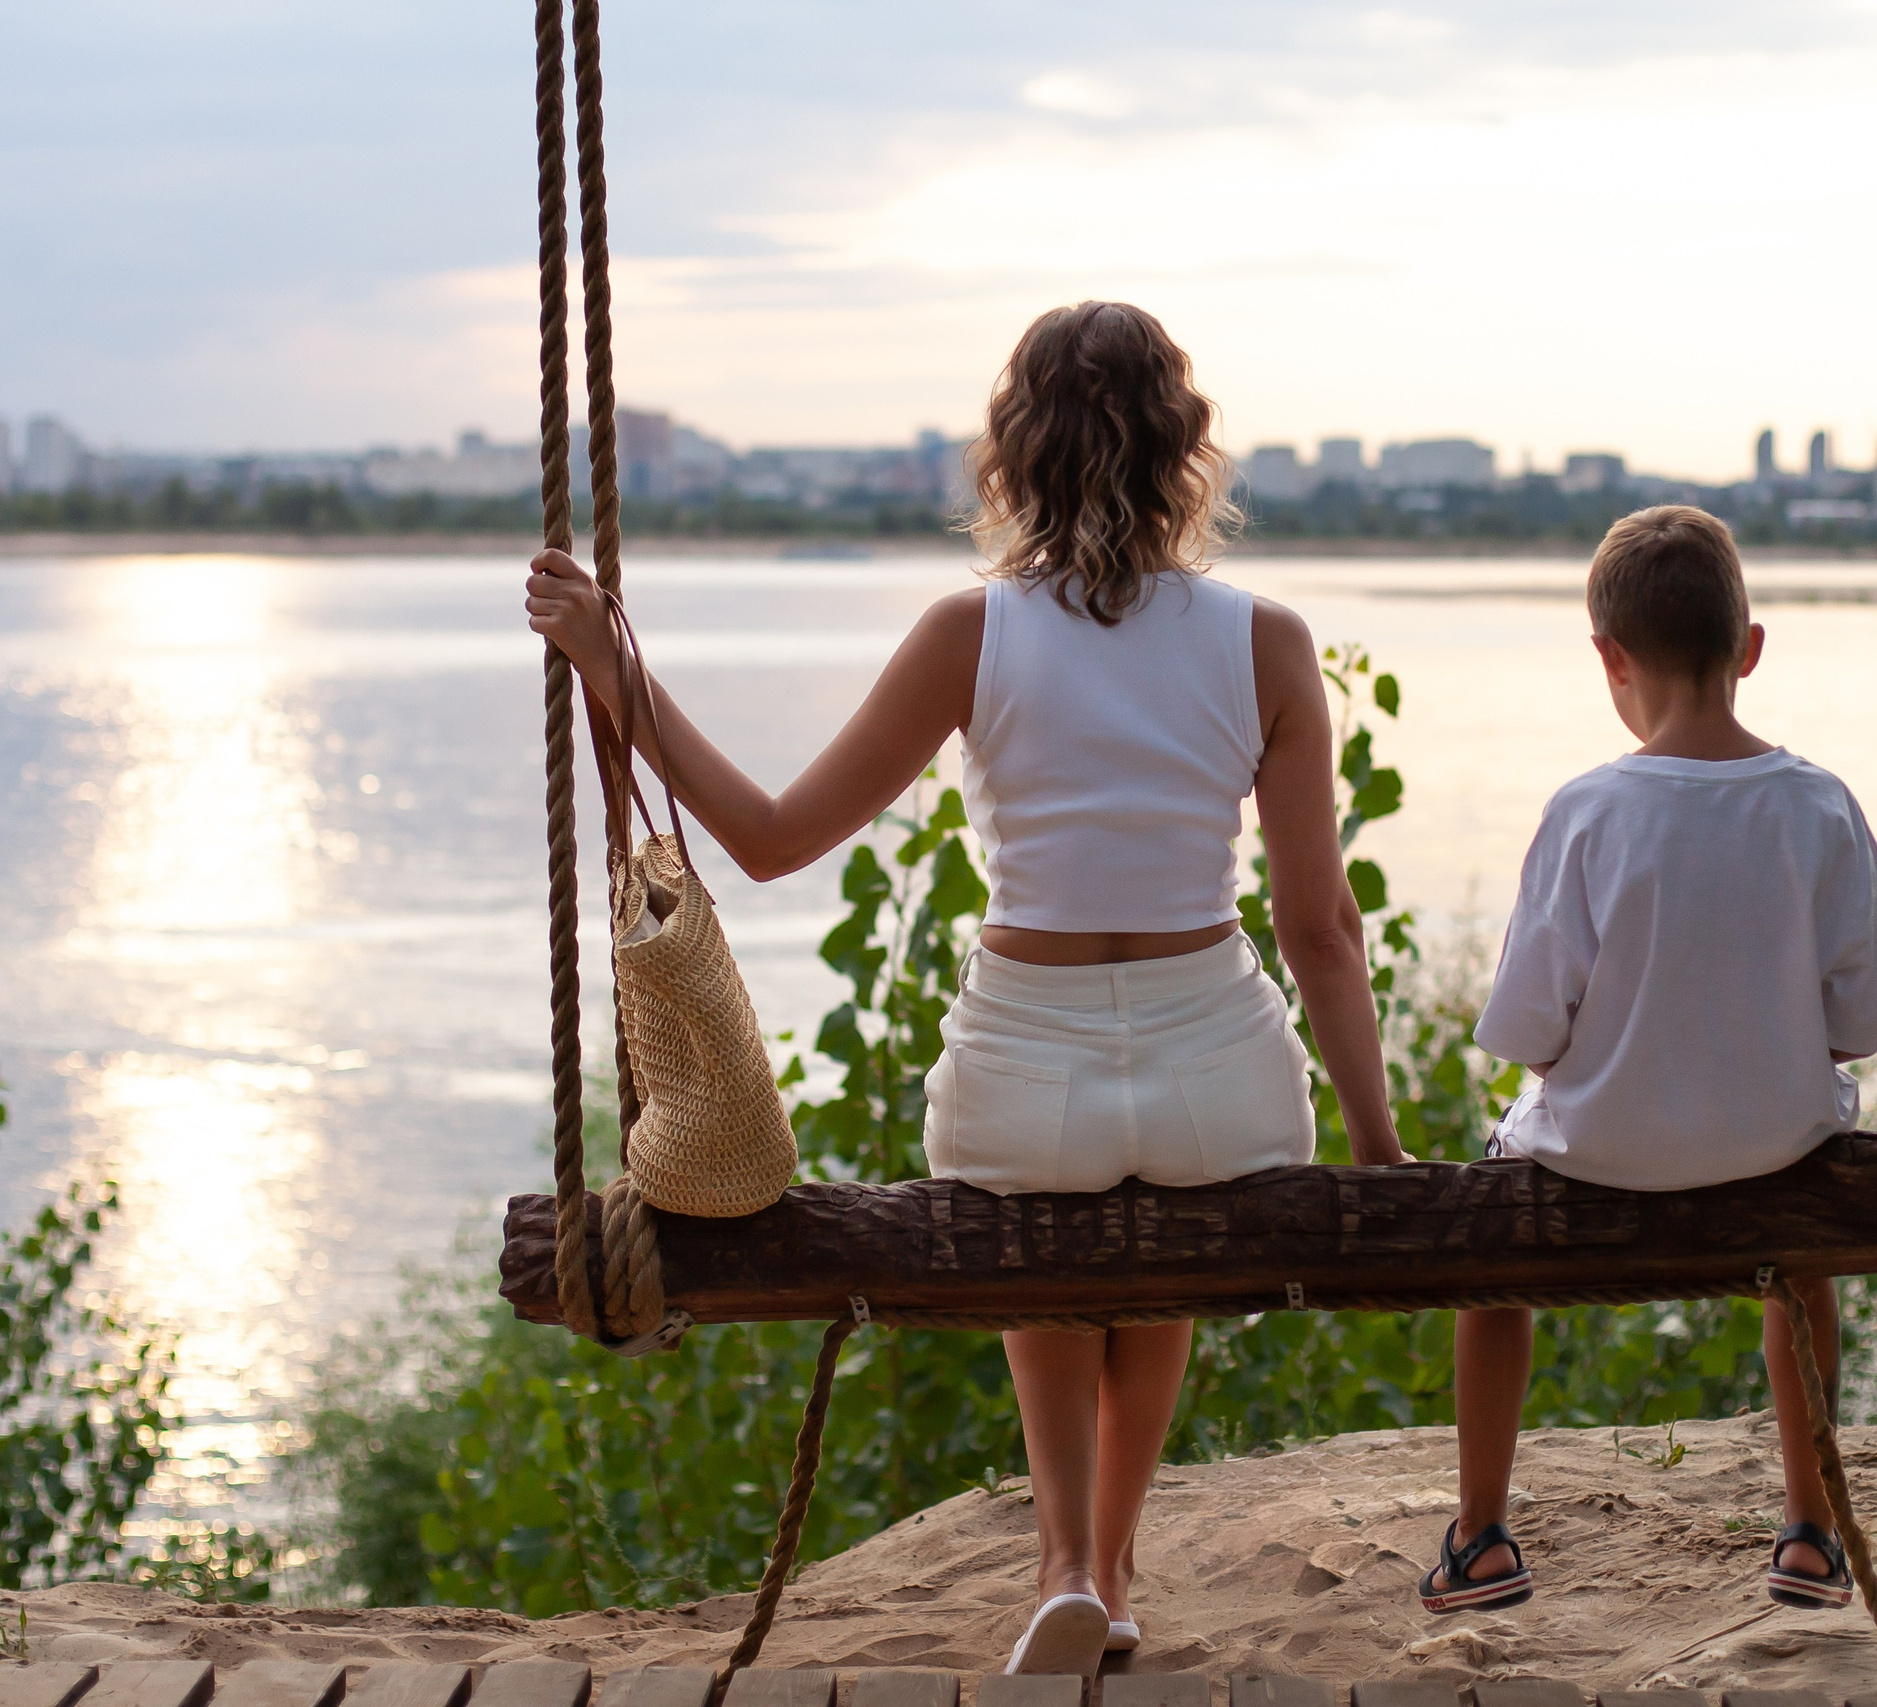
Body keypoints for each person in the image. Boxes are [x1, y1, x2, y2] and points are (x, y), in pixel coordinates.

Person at [526, 301, 1404, 1677]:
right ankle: (1113, 1573)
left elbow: (765, 836)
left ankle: (1063, 1562)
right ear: (1187, 450)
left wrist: (611, 665)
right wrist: (1377, 1144)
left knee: (1043, 1248)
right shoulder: (1269, 641)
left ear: (1013, 455)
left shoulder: (969, 632)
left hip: (1027, 1074)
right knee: (1157, 1249)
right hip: (1215, 1080)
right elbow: (1321, 927)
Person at [1420, 505, 1877, 1619]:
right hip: (1775, 1152)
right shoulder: (1819, 805)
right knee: (1806, 1267)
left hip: (1596, 1154)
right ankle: (1807, 1530)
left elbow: (1529, 1034)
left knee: (1488, 1248)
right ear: (1748, 648)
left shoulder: (1588, 812)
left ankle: (1482, 1534)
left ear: (1609, 659)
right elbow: (1863, 1019)